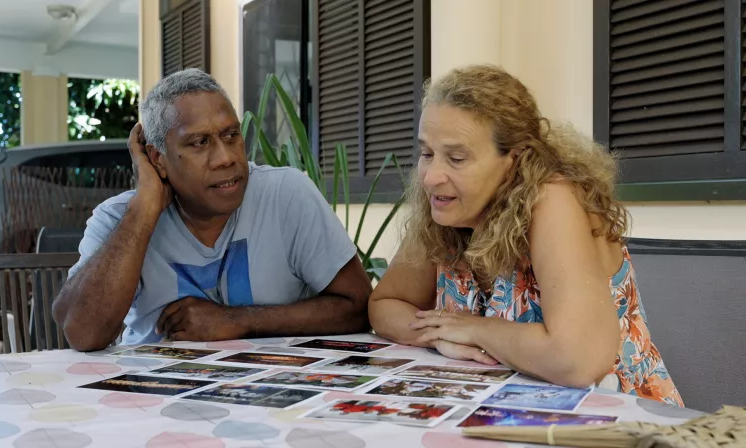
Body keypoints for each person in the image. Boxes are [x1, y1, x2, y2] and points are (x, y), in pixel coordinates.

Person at [368, 65, 683, 406]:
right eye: (427, 154)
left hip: (616, 419)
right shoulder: (446, 213)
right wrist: (440, 337)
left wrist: (474, 329)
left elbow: (577, 361)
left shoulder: (553, 199)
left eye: (456, 158)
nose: (430, 178)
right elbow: (384, 306)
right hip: (505, 412)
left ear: (515, 160)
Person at [53, 68, 372, 351]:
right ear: (158, 159)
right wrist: (144, 209)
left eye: (231, 135)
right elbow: (82, 334)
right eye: (199, 143)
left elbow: (358, 307)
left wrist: (240, 321)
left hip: (267, 393)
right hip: (151, 397)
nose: (226, 158)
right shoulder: (120, 217)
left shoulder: (284, 195)